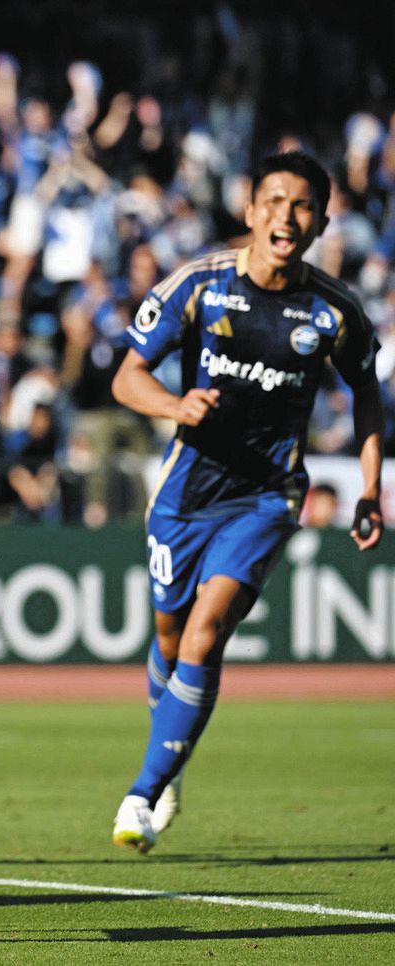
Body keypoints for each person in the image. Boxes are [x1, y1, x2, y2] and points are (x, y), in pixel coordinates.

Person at [110, 151, 384, 852]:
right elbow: (127, 378)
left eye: (303, 205)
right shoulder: (199, 284)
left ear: (321, 223)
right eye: (275, 201)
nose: (287, 216)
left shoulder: (335, 310)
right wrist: (175, 405)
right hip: (185, 492)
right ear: (251, 210)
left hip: (267, 496)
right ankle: (169, 759)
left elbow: (367, 398)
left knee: (206, 632)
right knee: (169, 637)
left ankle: (142, 793)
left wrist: (370, 488)